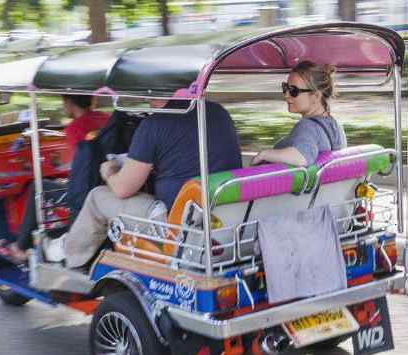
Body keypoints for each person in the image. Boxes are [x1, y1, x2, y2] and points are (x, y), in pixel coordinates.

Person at [13, 99, 242, 267]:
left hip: (176, 224)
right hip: (226, 216)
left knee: (97, 196)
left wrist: (110, 172)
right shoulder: (218, 111)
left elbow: (123, 188)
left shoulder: (154, 125)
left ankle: (66, 252)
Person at [0, 94, 109, 262]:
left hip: (85, 192)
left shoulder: (75, 128)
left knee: (37, 186)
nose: (64, 107)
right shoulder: (104, 118)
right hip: (105, 184)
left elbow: (82, 164)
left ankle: (20, 247)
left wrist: (67, 182)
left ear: (69, 103)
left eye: (63, 103)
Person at [251, 60, 346, 167]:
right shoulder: (337, 127)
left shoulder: (307, 126)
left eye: (293, 90)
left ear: (316, 96)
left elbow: (301, 157)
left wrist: (264, 154)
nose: (286, 95)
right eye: (285, 88)